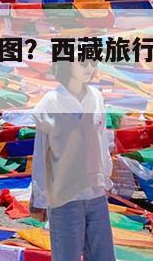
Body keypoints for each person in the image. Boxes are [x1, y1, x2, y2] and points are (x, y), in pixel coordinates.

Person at [30, 59, 116, 261]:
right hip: (64, 198)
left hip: (96, 194)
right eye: (83, 63)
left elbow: (102, 141)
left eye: (92, 62)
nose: (90, 68)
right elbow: (41, 154)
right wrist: (40, 198)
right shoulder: (49, 103)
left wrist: (106, 179)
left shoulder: (96, 97)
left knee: (103, 256)